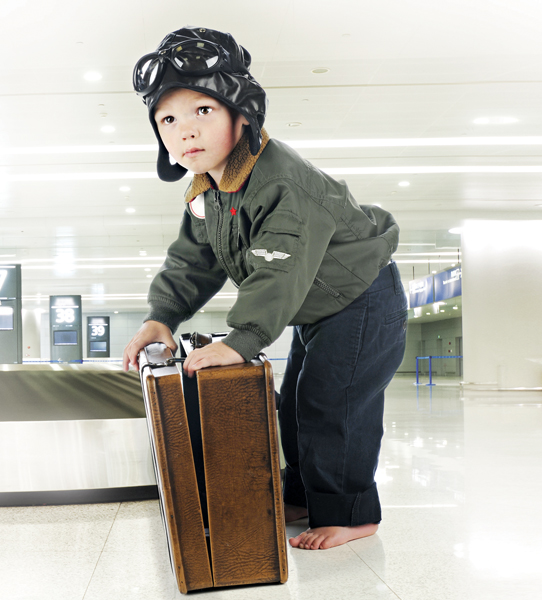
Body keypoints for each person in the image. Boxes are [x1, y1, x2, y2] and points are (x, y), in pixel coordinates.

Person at [123, 26, 408, 551]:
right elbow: (194, 259)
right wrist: (161, 315)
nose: (186, 131)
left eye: (202, 111)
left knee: (332, 405)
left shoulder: (281, 180)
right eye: (169, 119)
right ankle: (303, 496)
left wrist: (241, 340)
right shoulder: (209, 189)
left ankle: (351, 515)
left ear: (242, 112)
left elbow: (279, 265)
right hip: (317, 306)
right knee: (297, 405)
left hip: (362, 299)